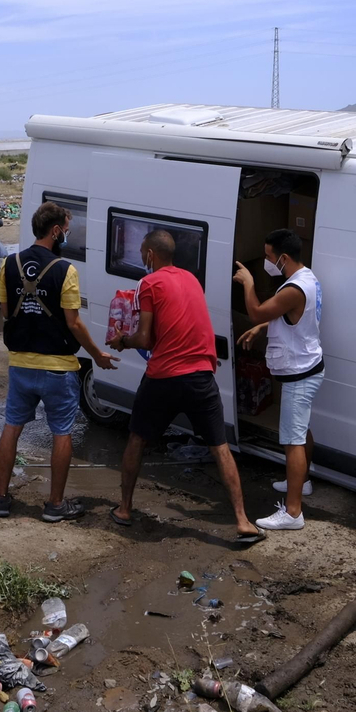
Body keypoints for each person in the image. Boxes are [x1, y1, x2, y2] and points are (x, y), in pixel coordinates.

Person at [108, 229, 261, 543]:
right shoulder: (192, 279)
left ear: (151, 254)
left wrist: (122, 341)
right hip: (201, 376)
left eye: (142, 252)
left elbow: (145, 338)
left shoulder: (149, 283)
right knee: (220, 447)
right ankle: (243, 521)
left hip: (164, 376)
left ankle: (124, 509)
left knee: (137, 438)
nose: (141, 256)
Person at [0, 202, 116, 521]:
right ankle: (55, 505)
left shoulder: (9, 264)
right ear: (56, 231)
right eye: (66, 230)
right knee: (62, 432)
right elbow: (74, 323)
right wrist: (97, 355)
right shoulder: (66, 270)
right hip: (58, 368)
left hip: (20, 364)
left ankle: (1, 499)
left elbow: (6, 312)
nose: (67, 236)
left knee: (12, 428)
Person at [234, 229, 323, 531]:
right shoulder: (307, 277)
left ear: (283, 258)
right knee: (301, 430)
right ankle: (302, 482)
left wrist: (249, 283)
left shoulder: (292, 289)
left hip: (300, 374)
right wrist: (263, 328)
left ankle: (293, 513)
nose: (266, 261)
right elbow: (290, 316)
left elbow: (257, 311)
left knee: (292, 440)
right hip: (309, 367)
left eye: (268, 256)